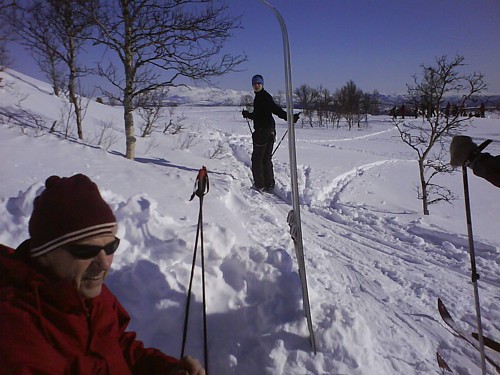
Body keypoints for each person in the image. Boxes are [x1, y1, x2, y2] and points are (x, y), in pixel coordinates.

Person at [0, 174, 205, 375]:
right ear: (44, 255)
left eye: (110, 247)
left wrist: (165, 369)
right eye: (85, 251)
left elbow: (119, 346)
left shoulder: (89, 295)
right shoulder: (17, 335)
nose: (104, 263)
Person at [242, 74, 299, 191]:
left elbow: (275, 109)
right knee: (266, 158)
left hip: (263, 131)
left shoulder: (263, 97)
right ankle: (269, 183)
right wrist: (248, 115)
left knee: (257, 158)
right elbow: (259, 115)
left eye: (258, 83)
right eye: (254, 84)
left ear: (262, 84)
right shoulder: (260, 97)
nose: (256, 85)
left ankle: (259, 185)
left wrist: (289, 117)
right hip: (270, 131)